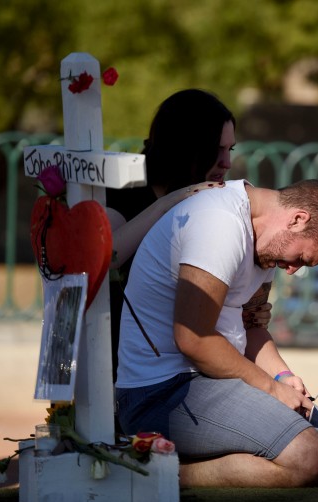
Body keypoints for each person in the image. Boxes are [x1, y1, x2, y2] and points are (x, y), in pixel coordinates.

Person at [115, 178, 318, 487]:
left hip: (215, 380)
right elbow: (192, 337)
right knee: (307, 457)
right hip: (162, 390)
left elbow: (253, 326)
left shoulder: (266, 238)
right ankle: (158, 472)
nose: (294, 270)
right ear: (297, 220)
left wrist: (282, 377)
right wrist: (271, 389)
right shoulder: (221, 223)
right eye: (303, 259)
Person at [105, 89, 271, 382]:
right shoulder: (127, 188)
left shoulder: (215, 203)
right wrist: (167, 204)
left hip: (186, 368)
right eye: (215, 149)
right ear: (184, 147)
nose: (226, 163)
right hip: (123, 361)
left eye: (229, 150)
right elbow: (105, 257)